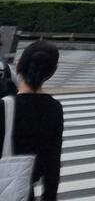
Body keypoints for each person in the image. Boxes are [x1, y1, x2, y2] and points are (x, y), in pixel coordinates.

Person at [1, 40, 63, 201]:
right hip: (23, 191)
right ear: (51, 73)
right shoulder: (54, 108)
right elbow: (53, 163)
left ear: (18, 66)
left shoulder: (4, 106)